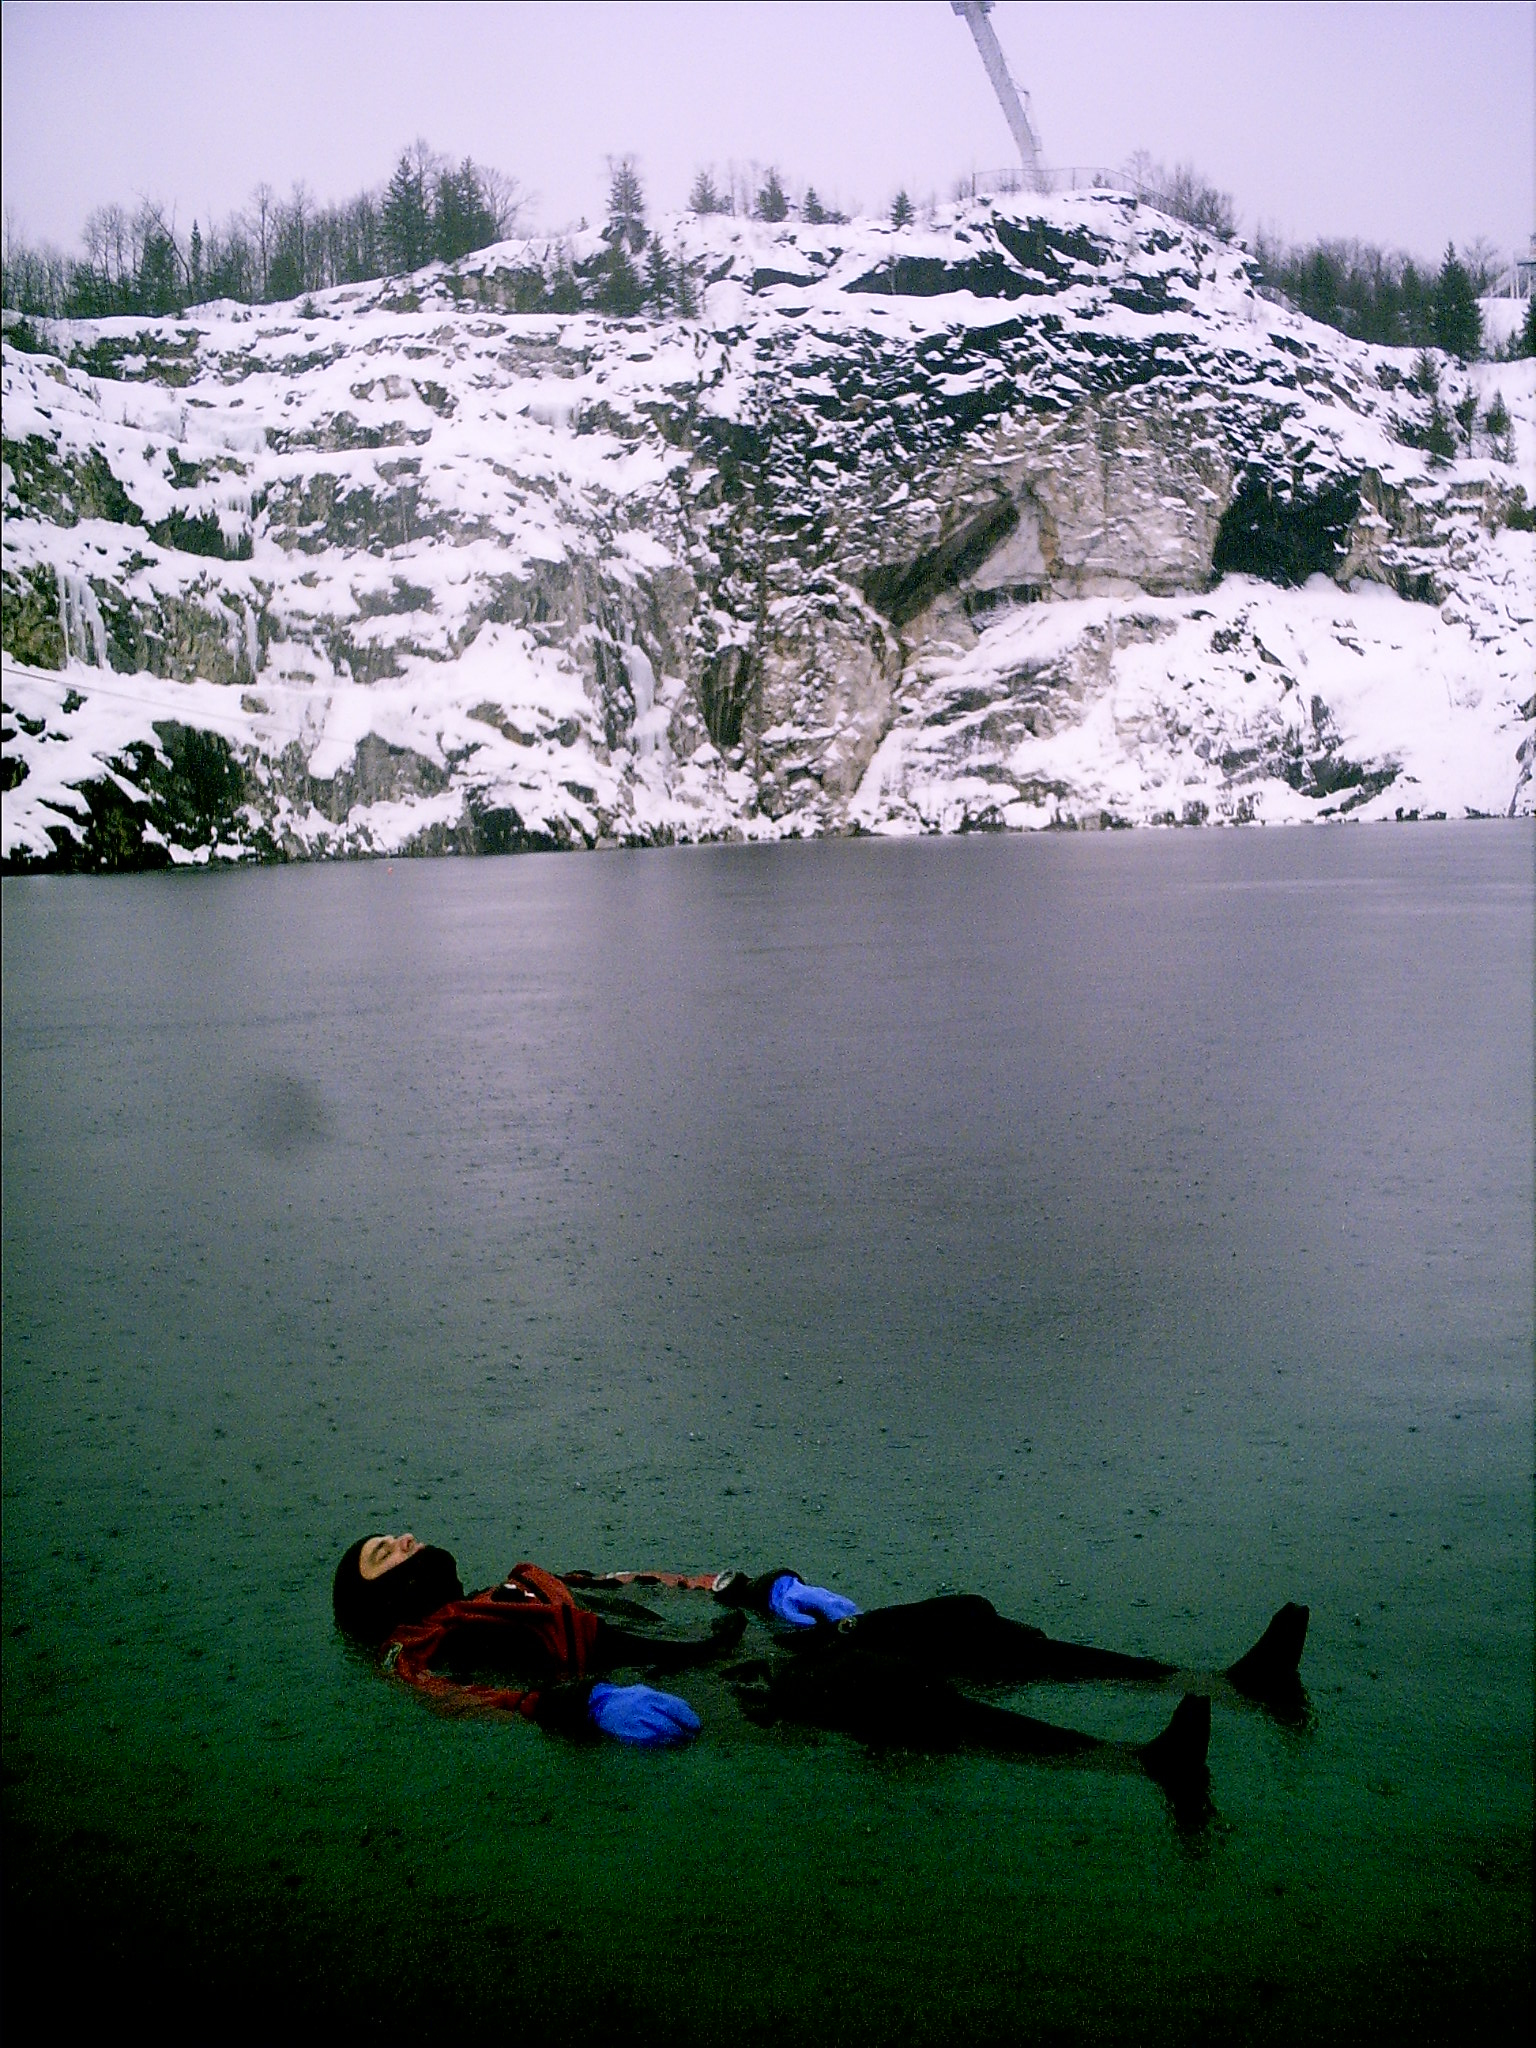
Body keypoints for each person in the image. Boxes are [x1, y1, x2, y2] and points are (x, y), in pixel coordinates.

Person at [333, 1531, 1309, 1805]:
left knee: (959, 1619)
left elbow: (672, 1578)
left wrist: (769, 1586)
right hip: (707, 1695)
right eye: (384, 1548)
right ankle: (1139, 1762)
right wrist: (574, 1702)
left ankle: (1227, 1680)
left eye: (403, 1530)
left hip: (750, 1646)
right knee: (885, 1689)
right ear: (375, 1597)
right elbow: (458, 1696)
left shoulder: (536, 1577)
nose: (406, 1536)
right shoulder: (410, 1649)